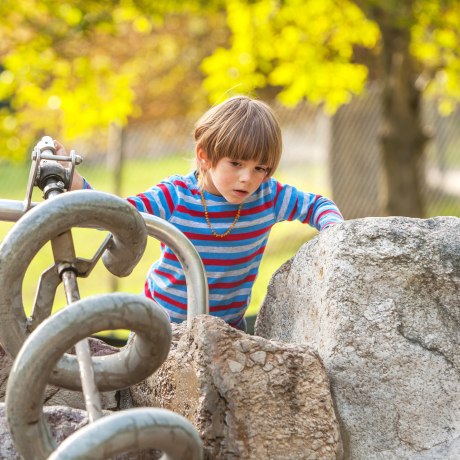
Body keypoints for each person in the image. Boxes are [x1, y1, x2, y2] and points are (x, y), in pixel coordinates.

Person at [56, 95, 343, 331]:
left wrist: (335, 234)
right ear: (205, 156)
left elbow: (318, 205)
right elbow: (118, 215)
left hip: (227, 328)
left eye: (260, 168)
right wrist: (76, 183)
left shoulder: (269, 196)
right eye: (236, 163)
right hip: (164, 327)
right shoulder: (176, 195)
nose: (248, 178)